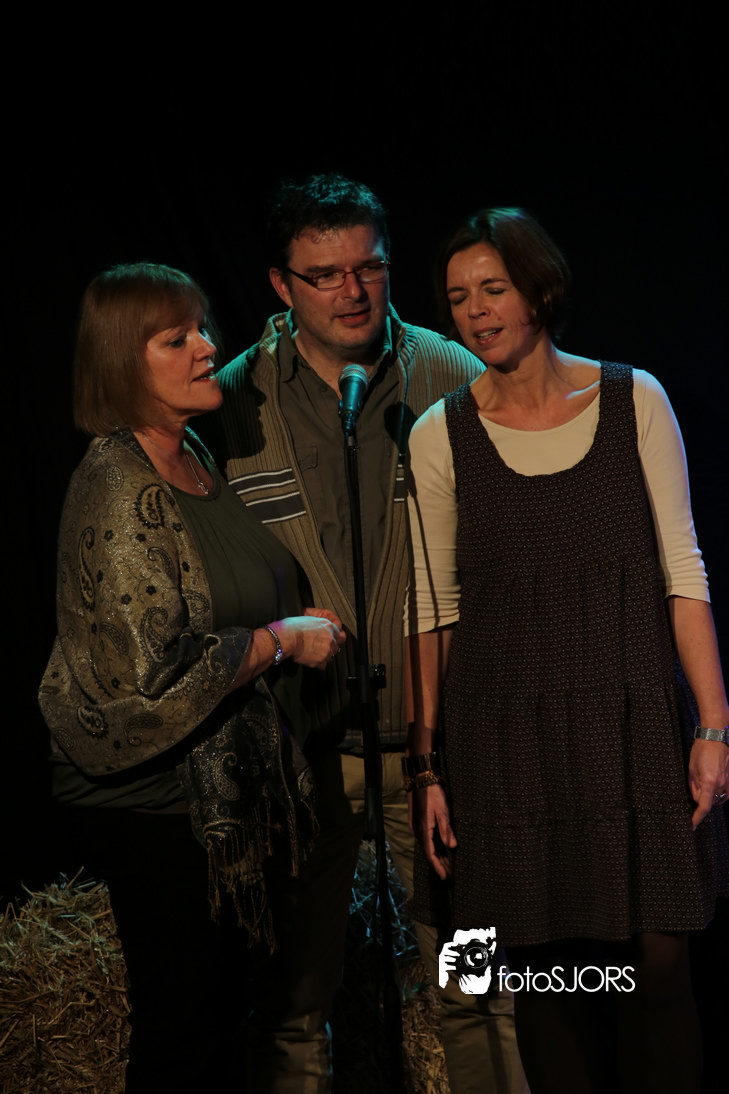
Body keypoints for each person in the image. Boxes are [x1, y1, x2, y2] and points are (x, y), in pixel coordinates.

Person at [199, 174, 528, 1094]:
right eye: (324, 275)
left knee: (478, 991)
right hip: (307, 759)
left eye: (369, 268)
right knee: (294, 1009)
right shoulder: (231, 403)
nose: (352, 292)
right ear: (279, 284)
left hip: (441, 758)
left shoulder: (450, 375)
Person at [405, 207, 729, 1094]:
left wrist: (712, 724)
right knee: (548, 978)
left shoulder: (633, 400)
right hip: (506, 736)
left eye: (493, 288)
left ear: (539, 289)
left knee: (657, 967)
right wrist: (426, 766)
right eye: (457, 298)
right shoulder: (440, 433)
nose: (475, 311)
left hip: (629, 718)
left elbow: (682, 569)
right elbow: (431, 611)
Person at [38, 262, 345, 1094]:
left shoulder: (194, 457)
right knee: (183, 1030)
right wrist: (280, 641)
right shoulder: (117, 486)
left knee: (219, 1020)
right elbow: (152, 678)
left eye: (201, 328)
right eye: (177, 339)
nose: (209, 348)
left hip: (213, 793)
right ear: (122, 363)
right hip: (154, 804)